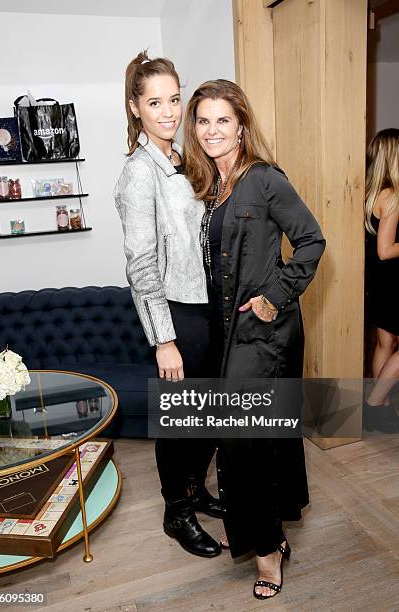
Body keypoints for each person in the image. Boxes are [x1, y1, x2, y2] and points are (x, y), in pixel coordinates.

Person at [183, 79, 325, 599]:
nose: (212, 130)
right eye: (203, 120)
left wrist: (275, 295)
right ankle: (267, 530)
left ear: (242, 126)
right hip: (228, 332)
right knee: (258, 438)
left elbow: (312, 240)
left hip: (263, 332)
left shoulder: (264, 179)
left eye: (223, 120)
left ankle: (266, 555)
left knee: (243, 443)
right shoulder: (213, 185)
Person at [114, 52, 223, 558]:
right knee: (180, 425)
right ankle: (175, 513)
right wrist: (164, 339)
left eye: (175, 99)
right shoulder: (140, 172)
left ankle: (196, 490)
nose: (169, 111)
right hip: (175, 315)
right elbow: (140, 265)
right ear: (136, 108)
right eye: (155, 102)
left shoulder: (182, 158)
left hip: (206, 308)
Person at [364, 128, 399, 432]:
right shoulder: (394, 195)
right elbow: (386, 250)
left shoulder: (372, 191)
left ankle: (382, 411)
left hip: (378, 282)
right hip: (393, 281)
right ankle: (375, 403)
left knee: (384, 343)